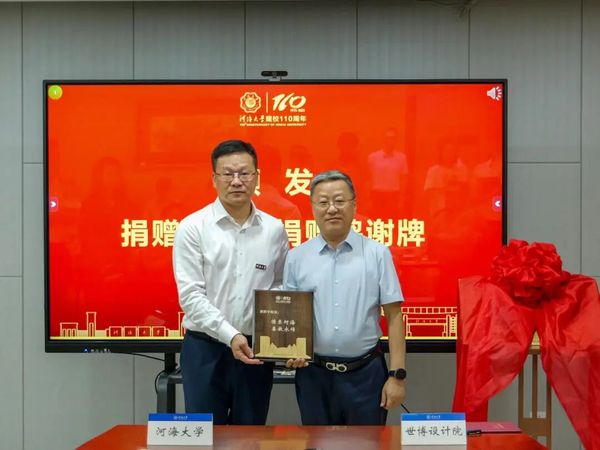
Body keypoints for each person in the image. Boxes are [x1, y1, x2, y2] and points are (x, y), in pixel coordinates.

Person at [172, 139, 289, 424]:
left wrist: (284, 339)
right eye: (228, 174)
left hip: (255, 350)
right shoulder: (193, 227)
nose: (236, 181)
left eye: (244, 173)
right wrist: (231, 335)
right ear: (214, 179)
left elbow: (280, 286)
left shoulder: (274, 229)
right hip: (205, 349)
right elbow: (191, 296)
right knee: (205, 435)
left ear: (256, 178)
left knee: (251, 435)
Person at [283, 170, 406, 425]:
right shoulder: (296, 257)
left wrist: (397, 376)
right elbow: (290, 316)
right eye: (323, 202)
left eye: (339, 201)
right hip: (314, 375)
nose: (332, 209)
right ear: (312, 207)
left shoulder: (377, 253)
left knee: (368, 442)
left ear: (354, 205)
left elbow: (394, 316)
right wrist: (290, 349)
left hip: (366, 374)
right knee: (316, 441)